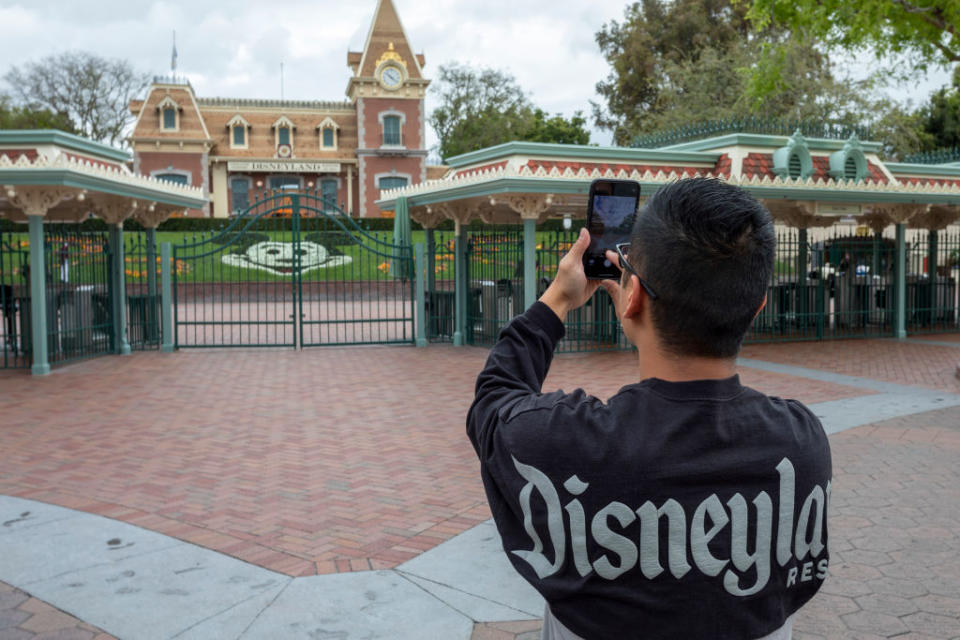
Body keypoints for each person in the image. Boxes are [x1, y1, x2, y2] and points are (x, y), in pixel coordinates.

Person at [466, 178, 831, 640]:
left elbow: (494, 399)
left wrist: (557, 299)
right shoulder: (801, 442)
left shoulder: (563, 441)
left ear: (633, 295)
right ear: (756, 306)